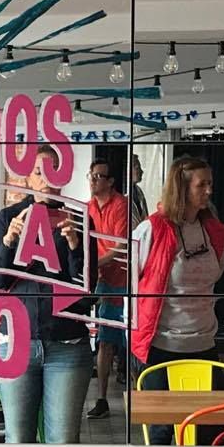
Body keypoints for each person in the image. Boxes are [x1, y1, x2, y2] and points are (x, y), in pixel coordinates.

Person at [0, 143, 94, 443]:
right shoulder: (9, 218)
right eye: (38, 172)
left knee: (63, 441)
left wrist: (74, 246)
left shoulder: (79, 220)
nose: (46, 179)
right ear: (27, 178)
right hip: (17, 344)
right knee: (18, 438)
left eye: (53, 171)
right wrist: (9, 241)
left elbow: (87, 292)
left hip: (67, 344)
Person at [130, 154, 224, 445]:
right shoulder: (151, 230)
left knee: (205, 430)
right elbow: (131, 285)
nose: (209, 191)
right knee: (162, 431)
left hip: (203, 342)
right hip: (161, 346)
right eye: (202, 185)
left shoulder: (213, 231)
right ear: (182, 188)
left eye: (210, 184)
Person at [84, 154, 131, 419]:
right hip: (101, 278)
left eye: (98, 176)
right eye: (91, 176)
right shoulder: (87, 206)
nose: (93, 181)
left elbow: (121, 246)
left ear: (111, 181)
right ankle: (102, 399)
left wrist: (93, 263)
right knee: (104, 339)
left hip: (122, 279)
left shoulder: (120, 205)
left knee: (124, 340)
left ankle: (135, 395)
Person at [128, 153, 149, 227]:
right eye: (137, 168)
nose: (142, 171)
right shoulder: (121, 193)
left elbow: (146, 218)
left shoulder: (139, 191)